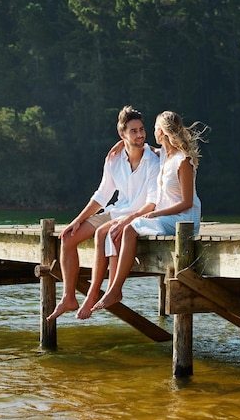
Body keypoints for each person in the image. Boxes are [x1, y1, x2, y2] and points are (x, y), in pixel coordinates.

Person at [46, 106, 160, 321]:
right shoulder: (114, 159)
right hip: (116, 210)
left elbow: (153, 202)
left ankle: (93, 295)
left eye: (141, 129)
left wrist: (128, 219)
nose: (140, 134)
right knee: (68, 238)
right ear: (122, 135)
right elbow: (102, 195)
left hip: (138, 215)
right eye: (133, 131)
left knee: (103, 234)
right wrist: (77, 220)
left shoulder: (153, 160)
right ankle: (68, 297)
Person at [90, 110, 205, 312]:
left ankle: (116, 289)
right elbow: (139, 147)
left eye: (152, 129)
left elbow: (187, 203)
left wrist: (155, 213)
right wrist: (120, 143)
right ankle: (112, 289)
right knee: (122, 227)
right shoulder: (163, 156)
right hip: (166, 217)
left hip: (184, 220)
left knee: (130, 228)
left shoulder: (183, 161)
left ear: (160, 131)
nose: (149, 133)